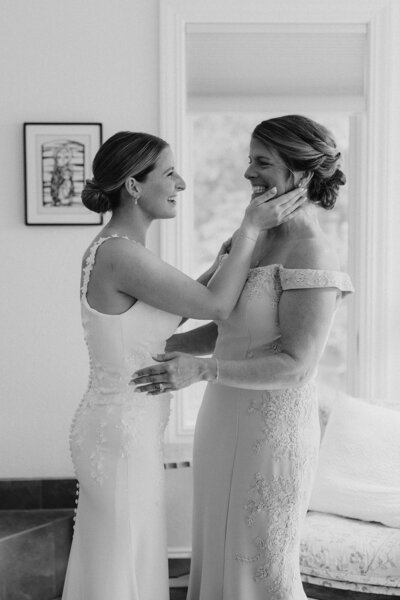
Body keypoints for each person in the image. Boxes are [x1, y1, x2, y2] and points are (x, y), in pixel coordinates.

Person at [61, 130, 305, 600]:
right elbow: (214, 305)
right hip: (120, 435)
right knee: (120, 564)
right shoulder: (119, 253)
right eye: (170, 173)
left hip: (124, 427)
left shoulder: (119, 250)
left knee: (127, 559)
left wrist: (231, 250)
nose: (182, 183)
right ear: (134, 186)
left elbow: (178, 307)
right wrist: (250, 231)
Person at [131, 115, 354, 600]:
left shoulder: (314, 252)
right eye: (248, 160)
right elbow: (224, 325)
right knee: (214, 553)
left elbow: (296, 363)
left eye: (262, 162)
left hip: (274, 432)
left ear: (302, 172)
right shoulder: (253, 238)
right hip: (222, 419)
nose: (248, 173)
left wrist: (202, 370)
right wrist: (161, 352)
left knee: (259, 568)